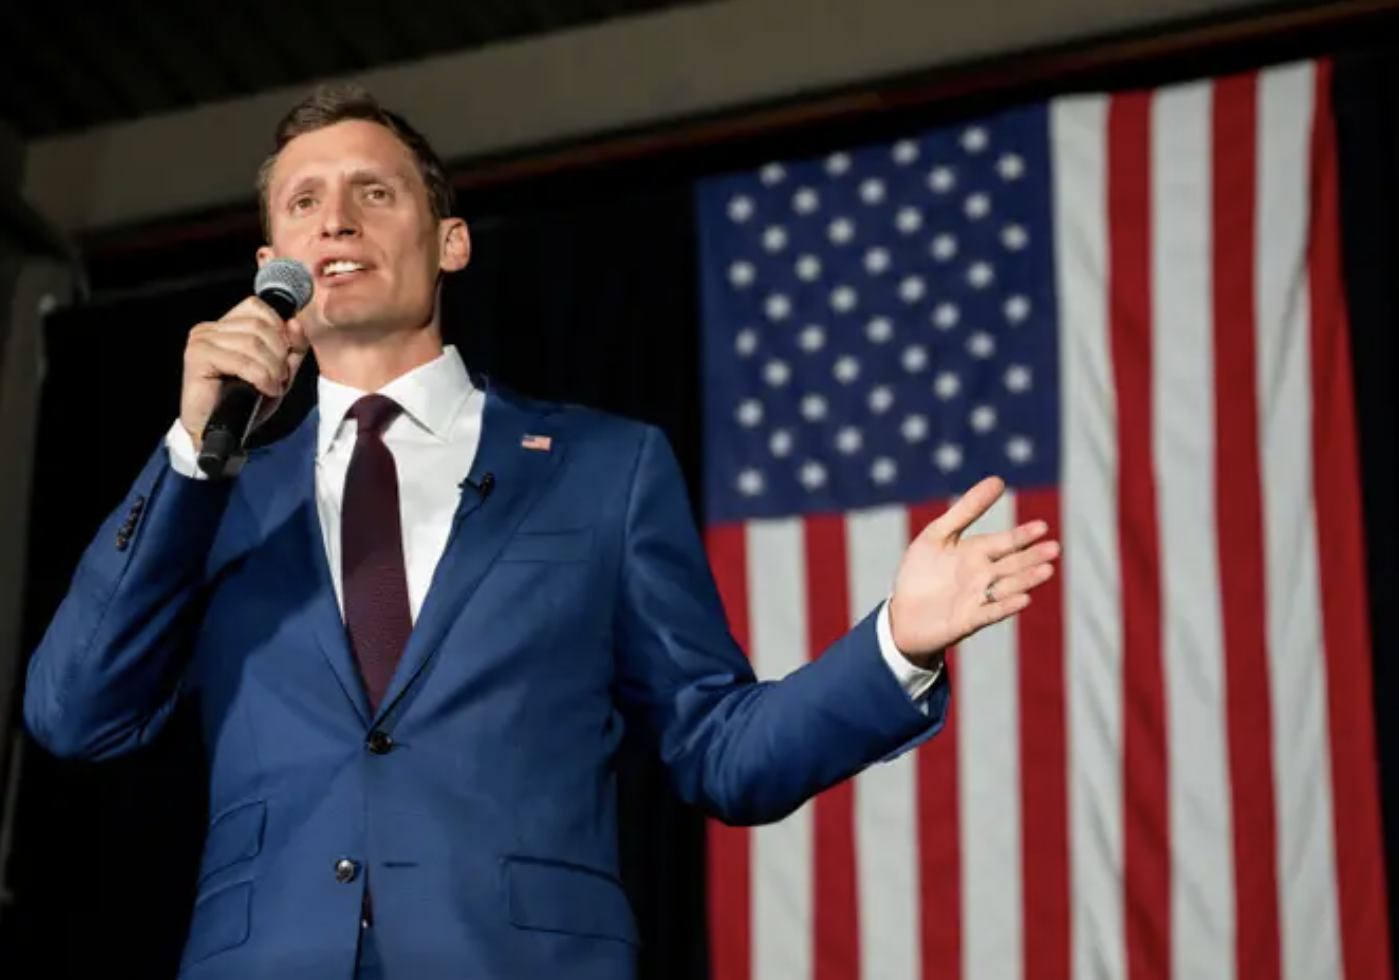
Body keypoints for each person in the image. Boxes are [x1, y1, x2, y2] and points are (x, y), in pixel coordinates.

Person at [22, 83, 1060, 980]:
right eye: (304, 202)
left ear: (450, 240)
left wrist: (896, 643)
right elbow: (75, 713)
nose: (334, 219)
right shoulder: (217, 493)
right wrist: (194, 453)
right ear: (270, 263)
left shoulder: (605, 470)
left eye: (373, 192)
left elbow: (720, 750)